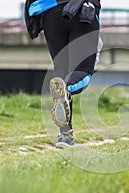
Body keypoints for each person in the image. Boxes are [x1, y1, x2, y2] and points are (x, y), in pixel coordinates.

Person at [25, 0, 101, 147]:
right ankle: (66, 89)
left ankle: (65, 135)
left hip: (51, 15)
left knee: (61, 70)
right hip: (82, 12)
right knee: (82, 71)